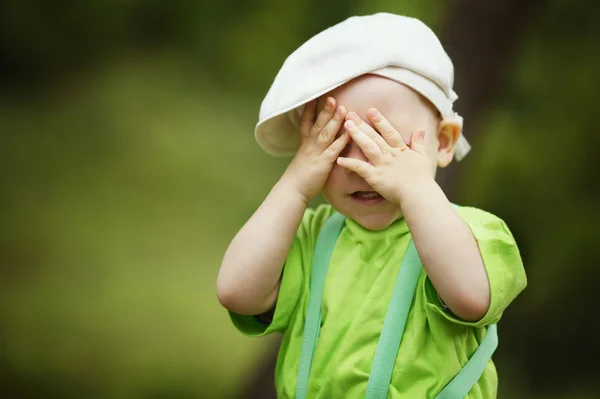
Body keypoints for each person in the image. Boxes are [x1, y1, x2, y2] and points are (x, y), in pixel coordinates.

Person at [216, 13, 527, 399]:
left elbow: (470, 297)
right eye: (334, 145)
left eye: (383, 141)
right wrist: (295, 185)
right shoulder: (314, 239)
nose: (363, 168)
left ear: (443, 143)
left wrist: (414, 190)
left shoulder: (475, 235)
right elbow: (236, 292)